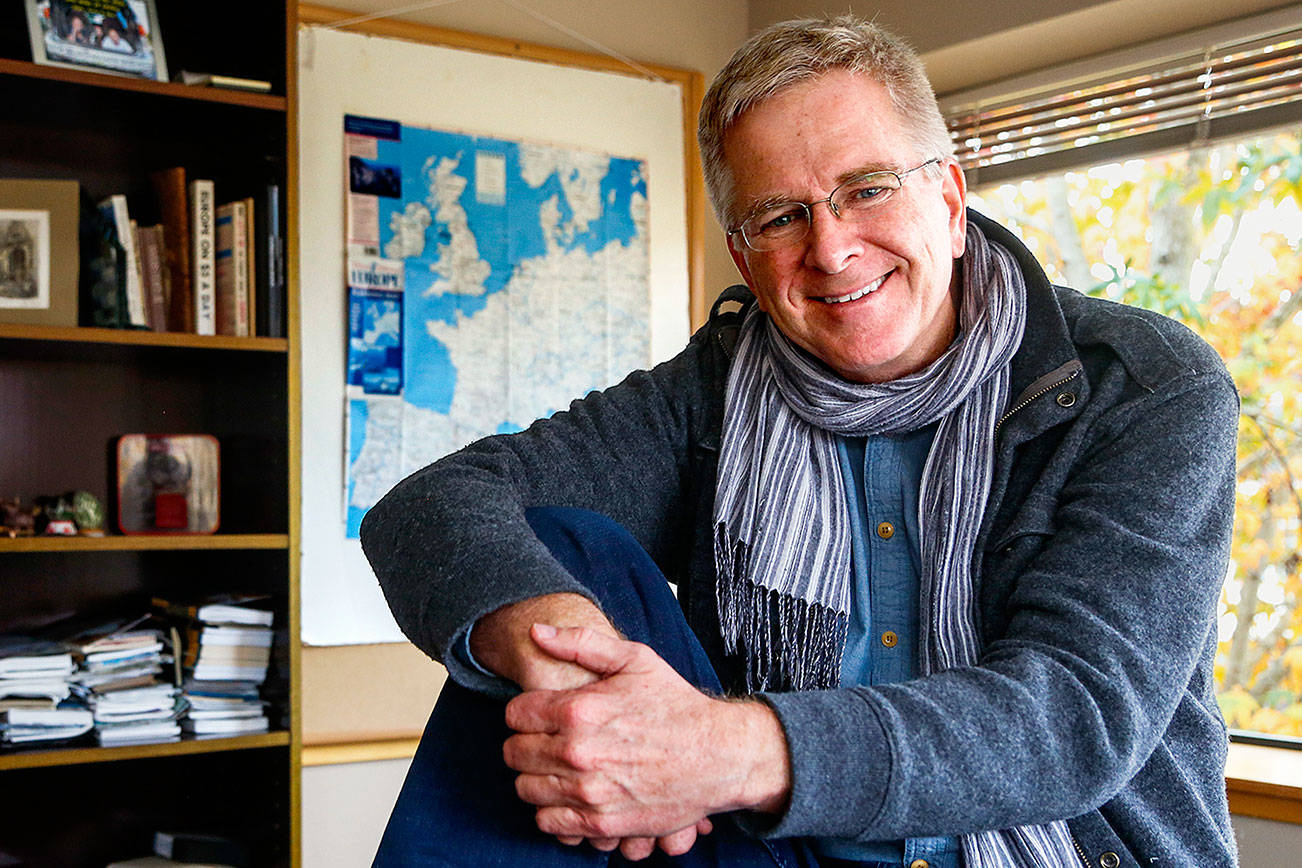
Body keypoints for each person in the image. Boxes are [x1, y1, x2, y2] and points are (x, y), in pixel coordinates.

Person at [361, 15, 1239, 868]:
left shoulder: (1144, 385)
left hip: (1056, 849)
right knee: (556, 555)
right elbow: (429, 506)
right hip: (775, 852)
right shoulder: (713, 390)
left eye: (868, 188)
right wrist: (562, 661)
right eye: (780, 216)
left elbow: (1073, 717)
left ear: (949, 199)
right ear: (746, 258)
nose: (831, 248)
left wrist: (718, 752)